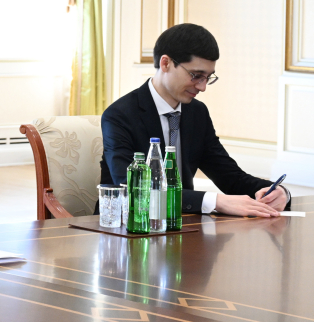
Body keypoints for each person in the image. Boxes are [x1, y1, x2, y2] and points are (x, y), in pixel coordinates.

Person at [100, 23, 290, 216]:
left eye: (208, 77)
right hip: (123, 224)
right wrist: (215, 201)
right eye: (196, 76)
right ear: (166, 63)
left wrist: (279, 193)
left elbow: (230, 177)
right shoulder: (120, 115)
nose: (202, 87)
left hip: (182, 225)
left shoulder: (197, 113)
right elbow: (133, 189)